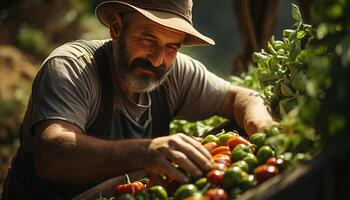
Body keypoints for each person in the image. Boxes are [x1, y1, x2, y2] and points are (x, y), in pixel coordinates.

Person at [2, 0, 276, 199]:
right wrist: (145, 152)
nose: (158, 59)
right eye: (148, 39)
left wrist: (262, 128)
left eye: (171, 47)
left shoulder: (176, 72)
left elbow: (240, 96)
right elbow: (52, 155)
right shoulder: (72, 68)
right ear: (117, 28)